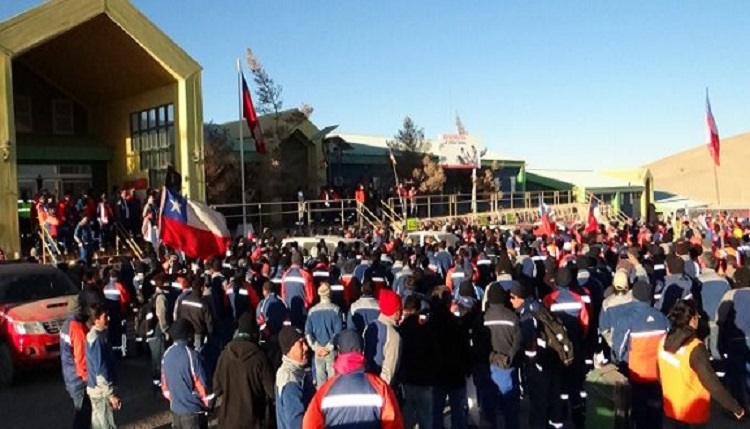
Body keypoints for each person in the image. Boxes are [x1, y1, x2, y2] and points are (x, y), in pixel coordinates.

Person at [658, 299, 745, 428]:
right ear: (692, 320)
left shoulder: (663, 341)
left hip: (671, 409)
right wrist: (735, 407)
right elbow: (711, 383)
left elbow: (660, 373)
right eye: (698, 316)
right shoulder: (694, 348)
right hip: (693, 412)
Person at [302, 329, 404, 429]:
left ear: (339, 353)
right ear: (361, 351)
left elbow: (310, 424)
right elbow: (393, 423)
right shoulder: (380, 387)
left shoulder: (325, 390)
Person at [611, 280, 669, 429]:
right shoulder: (662, 318)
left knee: (638, 412)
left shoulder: (626, 319)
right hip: (658, 373)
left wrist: (619, 363)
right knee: (655, 413)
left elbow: (619, 348)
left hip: (636, 374)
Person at [213, 312, 275, 429]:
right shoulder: (259, 357)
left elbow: (216, 388)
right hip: (253, 420)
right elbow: (271, 391)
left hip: (228, 421)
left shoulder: (225, 354)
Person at [161, 318, 213, 429]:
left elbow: (165, 386)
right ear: (188, 335)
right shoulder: (193, 356)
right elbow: (202, 386)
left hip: (176, 411)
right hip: (193, 413)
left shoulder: (167, 354)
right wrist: (208, 405)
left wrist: (177, 400)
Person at [483, 283, 522, 429]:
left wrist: (491, 357)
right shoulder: (512, 318)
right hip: (507, 367)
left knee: (489, 409)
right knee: (510, 409)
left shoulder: (484, 318)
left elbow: (479, 344)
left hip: (489, 367)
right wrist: (509, 359)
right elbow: (518, 343)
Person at [397, 295, 438, 429]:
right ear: (418, 309)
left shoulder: (401, 330)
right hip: (425, 379)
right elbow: (434, 352)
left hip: (408, 379)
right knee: (425, 417)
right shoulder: (426, 329)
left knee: (407, 415)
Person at [86, 304, 121, 429]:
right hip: (101, 392)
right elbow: (100, 371)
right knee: (106, 424)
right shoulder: (97, 341)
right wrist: (111, 395)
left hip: (95, 390)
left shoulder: (97, 336)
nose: (108, 319)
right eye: (105, 317)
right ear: (96, 320)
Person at [61, 295, 92, 429]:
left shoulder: (65, 325)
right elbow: (81, 358)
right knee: (82, 415)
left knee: (80, 412)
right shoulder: (77, 329)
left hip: (70, 376)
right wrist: (88, 380)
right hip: (79, 380)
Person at [275, 326, 315, 429]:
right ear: (289, 349)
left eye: (305, 342)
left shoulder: (297, 372)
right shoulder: (290, 381)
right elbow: (296, 424)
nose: (306, 348)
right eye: (301, 344)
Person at [304, 283, 343, 387]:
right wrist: (329, 347)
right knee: (333, 382)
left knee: (320, 381)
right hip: (331, 351)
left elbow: (308, 332)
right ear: (330, 293)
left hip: (318, 352)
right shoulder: (336, 310)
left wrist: (316, 347)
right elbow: (338, 332)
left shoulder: (312, 311)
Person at [363, 289, 403, 385]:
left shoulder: (370, 326)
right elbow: (389, 370)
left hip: (366, 381)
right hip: (381, 387)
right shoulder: (393, 335)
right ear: (396, 312)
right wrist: (381, 390)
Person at [281, 252, 315, 329]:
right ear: (301, 261)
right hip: (303, 311)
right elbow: (311, 297)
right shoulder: (306, 275)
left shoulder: (285, 274)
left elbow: (283, 294)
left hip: (290, 309)